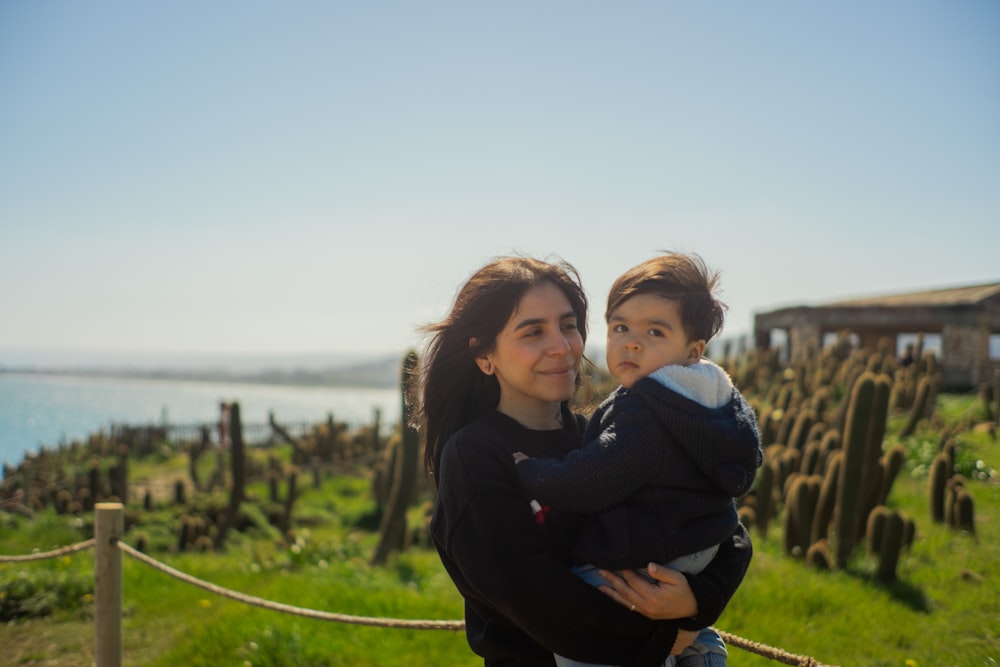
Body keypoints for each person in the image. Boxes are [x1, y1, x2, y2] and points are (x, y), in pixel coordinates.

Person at [414, 256, 754, 667]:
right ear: (485, 354)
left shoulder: (605, 439)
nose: (561, 346)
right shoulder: (475, 456)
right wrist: (666, 635)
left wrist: (700, 598)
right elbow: (528, 592)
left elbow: (721, 523)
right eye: (533, 331)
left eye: (568, 324)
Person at [512, 252, 762, 667]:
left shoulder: (648, 409)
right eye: (621, 327)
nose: (631, 341)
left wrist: (531, 472)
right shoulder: (717, 404)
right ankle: (699, 647)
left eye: (655, 331)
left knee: (584, 634)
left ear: (693, 350)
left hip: (646, 555)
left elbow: (597, 476)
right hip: (700, 550)